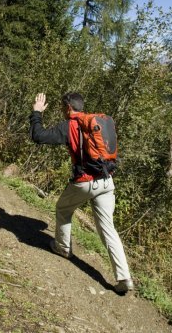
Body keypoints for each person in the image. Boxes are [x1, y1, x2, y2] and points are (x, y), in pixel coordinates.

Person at [29, 92, 134, 294]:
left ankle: (63, 247)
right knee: (108, 229)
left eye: (62, 107)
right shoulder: (96, 123)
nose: (62, 110)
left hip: (85, 182)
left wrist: (36, 113)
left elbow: (38, 136)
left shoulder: (70, 125)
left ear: (68, 107)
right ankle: (124, 278)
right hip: (106, 181)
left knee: (62, 208)